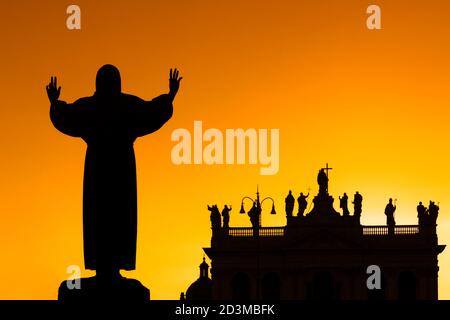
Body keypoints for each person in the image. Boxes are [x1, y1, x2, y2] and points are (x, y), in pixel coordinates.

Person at [48, 66, 182, 280]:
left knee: (98, 215)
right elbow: (151, 112)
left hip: (97, 169)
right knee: (120, 215)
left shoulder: (91, 107)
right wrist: (170, 95)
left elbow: (66, 116)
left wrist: (54, 103)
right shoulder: (127, 106)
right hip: (121, 169)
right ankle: (113, 268)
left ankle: (103, 267)